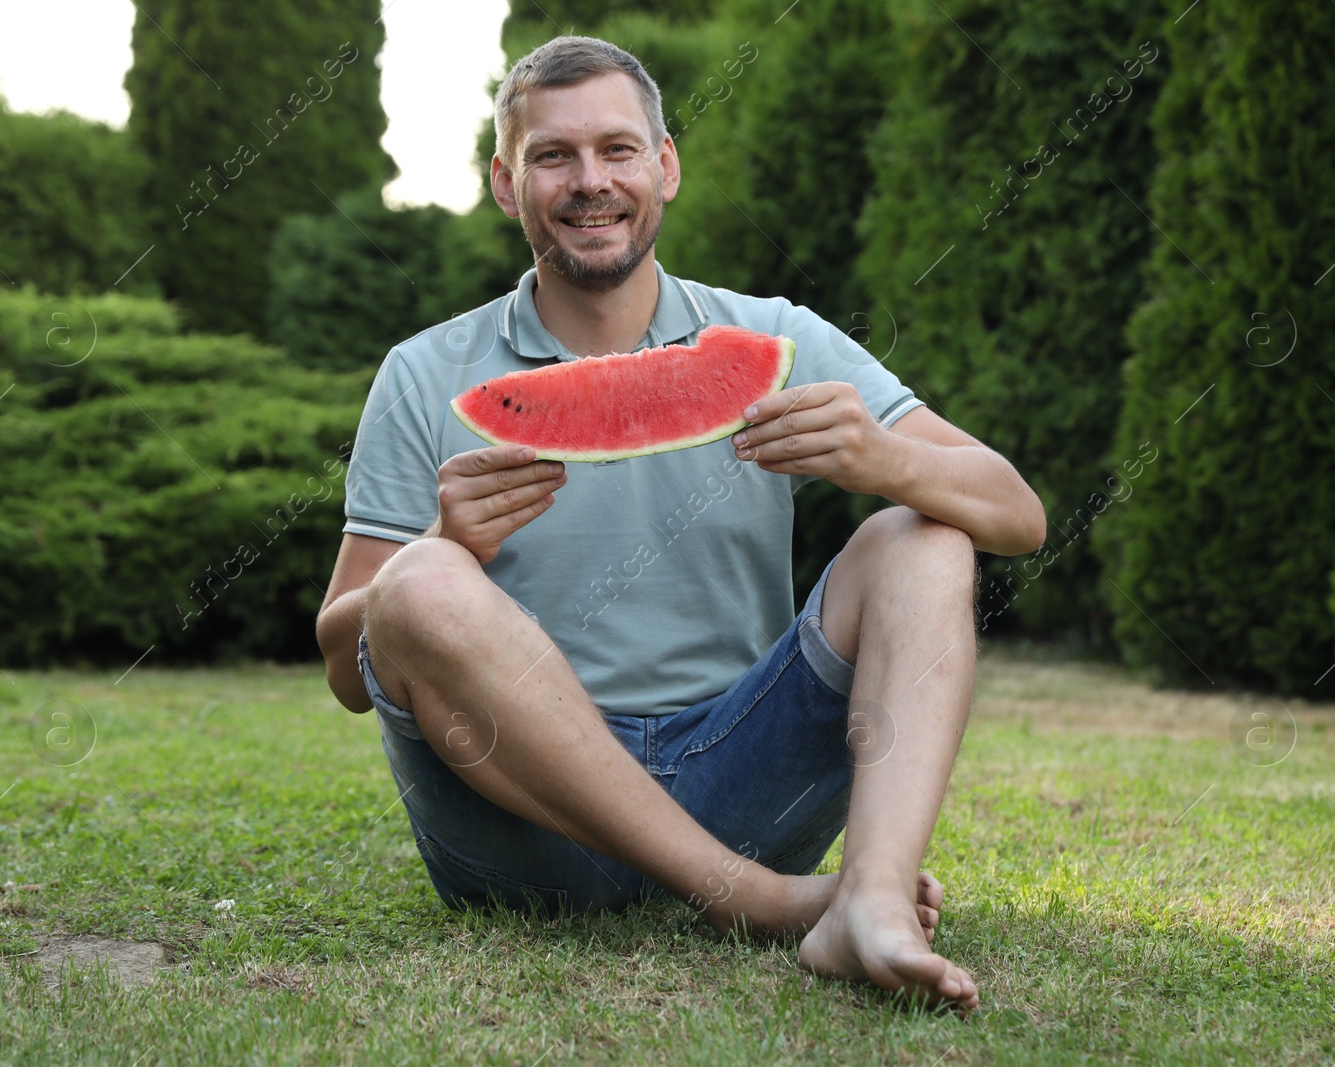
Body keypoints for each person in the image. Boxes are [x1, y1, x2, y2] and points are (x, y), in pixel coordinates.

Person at [315, 35, 1045, 1010]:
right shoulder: (422, 371)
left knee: (926, 530)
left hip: (747, 776)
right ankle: (763, 902)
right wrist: (447, 547)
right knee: (417, 579)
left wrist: (884, 459)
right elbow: (343, 666)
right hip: (525, 825)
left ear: (665, 165)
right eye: (552, 156)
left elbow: (1018, 513)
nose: (589, 182)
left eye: (617, 149)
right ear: (504, 182)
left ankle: (868, 895)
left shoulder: (776, 340)